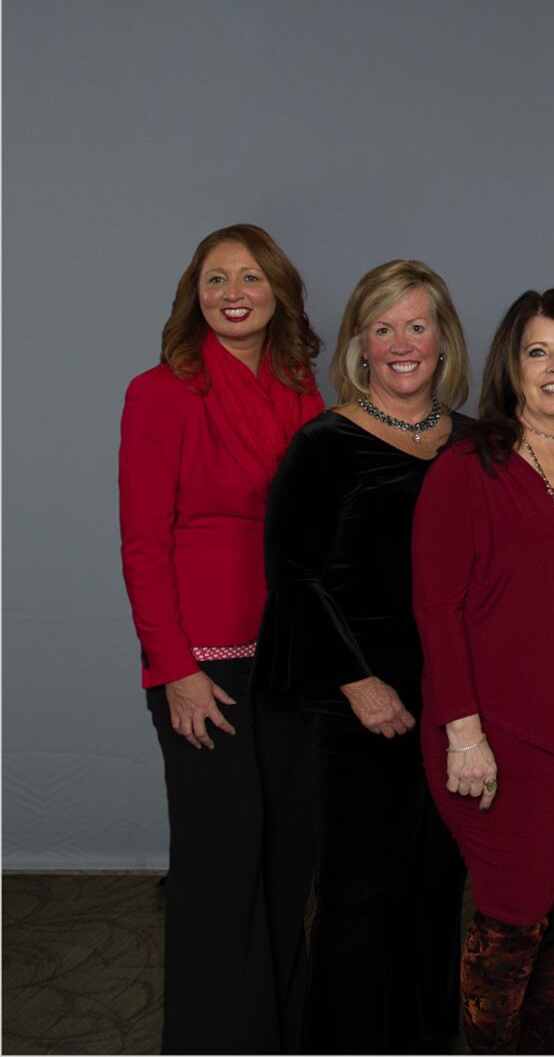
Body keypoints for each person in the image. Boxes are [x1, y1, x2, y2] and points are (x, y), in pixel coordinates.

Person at [252, 260, 472, 1053]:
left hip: (453, 704)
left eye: (418, 325)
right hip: (358, 707)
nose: (402, 343)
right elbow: (294, 574)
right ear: (360, 344)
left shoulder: (475, 444)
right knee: (358, 899)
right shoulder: (324, 444)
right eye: (384, 328)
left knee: (436, 893)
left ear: (443, 340)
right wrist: (358, 680)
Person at [118, 223, 325, 1053]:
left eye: (248, 276)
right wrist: (173, 670)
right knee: (218, 867)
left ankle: (278, 1032)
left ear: (278, 290)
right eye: (214, 278)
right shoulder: (159, 392)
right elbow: (142, 542)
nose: (231, 291)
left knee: (287, 860)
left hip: (288, 659)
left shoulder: (304, 389)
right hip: (200, 665)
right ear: (193, 294)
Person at [411, 288, 554, 1054]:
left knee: (546, 916)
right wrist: (464, 735)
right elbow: (436, 609)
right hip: (492, 745)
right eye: (538, 351)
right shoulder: (469, 468)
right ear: (512, 367)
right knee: (509, 924)